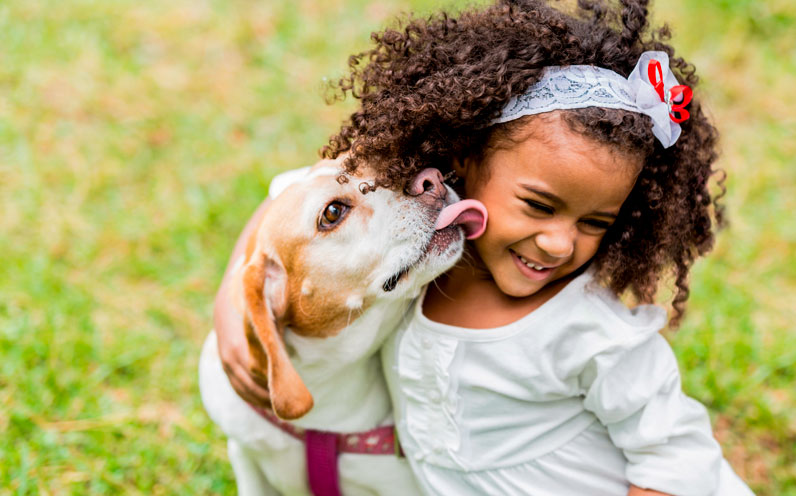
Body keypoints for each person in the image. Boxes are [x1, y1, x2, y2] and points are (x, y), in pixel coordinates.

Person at [213, 0, 754, 494]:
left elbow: (677, 460)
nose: (559, 242)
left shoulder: (593, 333)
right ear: (462, 158)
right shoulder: (421, 250)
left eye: (596, 222)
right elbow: (299, 196)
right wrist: (239, 297)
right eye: (539, 206)